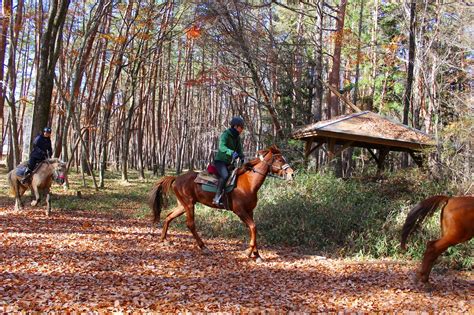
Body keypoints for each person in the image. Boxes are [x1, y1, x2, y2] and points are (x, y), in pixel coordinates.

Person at [212, 117, 245, 206]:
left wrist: (242, 156)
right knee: (225, 175)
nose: (242, 129)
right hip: (220, 161)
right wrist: (231, 152)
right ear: (235, 126)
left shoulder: (237, 138)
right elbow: (222, 147)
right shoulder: (225, 134)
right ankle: (216, 197)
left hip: (229, 163)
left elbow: (239, 150)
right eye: (241, 127)